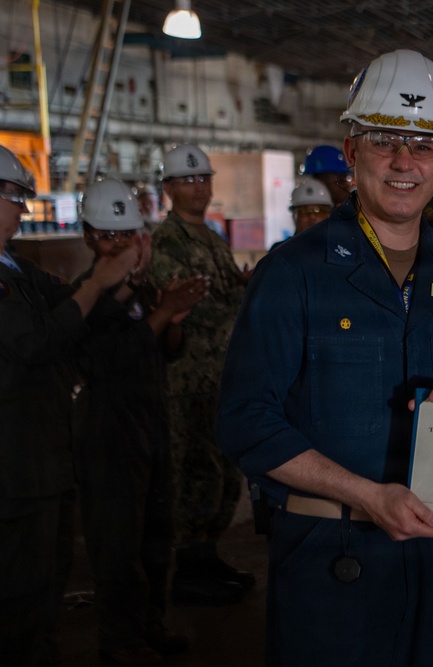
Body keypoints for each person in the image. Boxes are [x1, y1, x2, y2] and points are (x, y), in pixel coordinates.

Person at [216, 49, 433, 666]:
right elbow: (245, 419)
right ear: (351, 153)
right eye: (385, 141)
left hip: (425, 548)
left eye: (424, 145)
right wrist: (367, 495)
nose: (404, 161)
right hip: (327, 547)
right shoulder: (293, 272)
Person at [0, 146, 140, 666]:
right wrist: (102, 282)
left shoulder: (16, 267)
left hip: (41, 455)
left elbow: (68, 308)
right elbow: (35, 342)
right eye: (15, 196)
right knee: (20, 589)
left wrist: (115, 286)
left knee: (45, 579)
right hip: (15, 460)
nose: (21, 208)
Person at [73, 179, 206, 666]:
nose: (119, 246)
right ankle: (119, 639)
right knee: (117, 544)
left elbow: (165, 354)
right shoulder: (82, 299)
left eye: (127, 235)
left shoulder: (143, 291)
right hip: (108, 435)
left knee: (155, 536)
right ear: (89, 238)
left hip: (149, 424)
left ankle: (150, 623)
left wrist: (173, 318)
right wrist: (163, 313)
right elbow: (111, 361)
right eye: (108, 237)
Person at [147, 143, 254, 606]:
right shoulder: (166, 241)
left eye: (203, 179)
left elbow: (221, 294)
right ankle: (187, 566)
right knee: (194, 470)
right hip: (188, 379)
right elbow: (190, 307)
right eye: (188, 180)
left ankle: (206, 555)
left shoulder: (211, 237)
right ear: (169, 188)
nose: (198, 187)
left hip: (219, 375)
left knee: (221, 471)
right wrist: (240, 299)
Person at [272, 177, 333, 249]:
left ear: (329, 214)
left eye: (319, 211)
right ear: (294, 216)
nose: (312, 216)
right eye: (304, 211)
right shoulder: (279, 251)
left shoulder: (340, 249)